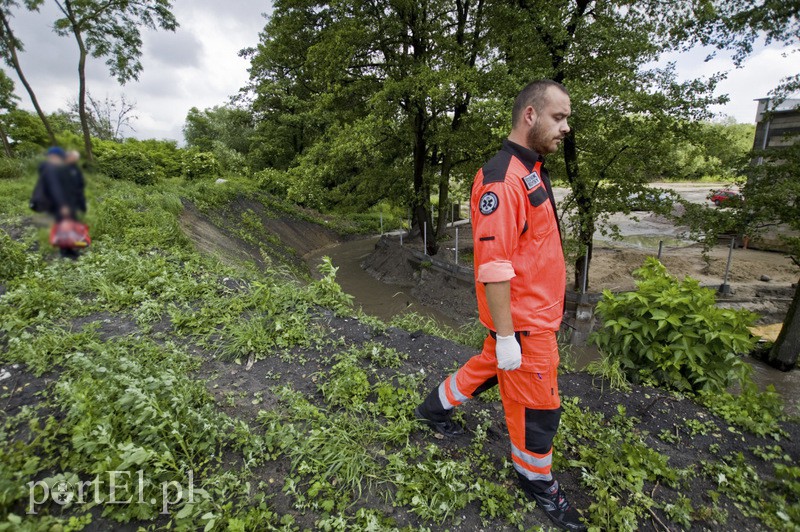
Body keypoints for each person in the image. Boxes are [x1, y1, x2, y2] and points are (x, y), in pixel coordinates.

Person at [414, 80, 585, 531]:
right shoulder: (502, 180)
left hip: (528, 318)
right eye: (559, 117)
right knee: (538, 410)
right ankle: (535, 479)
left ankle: (434, 409)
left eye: (567, 118)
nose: (566, 127)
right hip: (526, 326)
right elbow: (493, 265)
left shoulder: (531, 168)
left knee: (489, 365)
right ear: (530, 115)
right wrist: (509, 335)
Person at [39, 147, 87, 259]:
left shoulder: (69, 169)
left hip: (70, 203)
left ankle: (70, 249)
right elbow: (55, 190)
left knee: (70, 226)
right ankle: (65, 252)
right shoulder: (53, 170)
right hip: (60, 205)